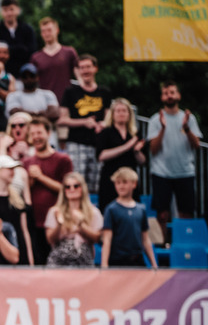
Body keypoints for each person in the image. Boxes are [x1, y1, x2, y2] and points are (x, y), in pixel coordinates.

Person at [146, 80, 202, 232]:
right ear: (162, 97)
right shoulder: (155, 120)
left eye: (172, 92)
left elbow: (196, 145)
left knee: (186, 212)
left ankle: (183, 245)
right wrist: (163, 129)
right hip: (161, 172)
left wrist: (187, 129)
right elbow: (153, 149)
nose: (169, 96)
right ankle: (161, 246)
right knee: (162, 214)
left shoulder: (189, 119)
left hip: (185, 171)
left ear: (178, 95)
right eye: (166, 93)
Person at [22, 116, 72, 265]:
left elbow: (68, 189)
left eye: (39, 133)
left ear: (48, 133)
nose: (36, 137)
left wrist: (41, 177)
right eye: (33, 134)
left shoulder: (63, 159)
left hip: (58, 224)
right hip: (34, 222)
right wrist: (30, 181)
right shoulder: (26, 162)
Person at [59, 54, 110, 196]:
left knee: (97, 185)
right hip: (76, 144)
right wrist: (84, 122)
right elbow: (62, 119)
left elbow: (109, 118)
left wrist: (103, 124)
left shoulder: (104, 92)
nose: (85, 71)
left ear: (95, 69)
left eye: (88, 67)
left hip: (98, 144)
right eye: (82, 68)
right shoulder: (70, 92)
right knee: (76, 183)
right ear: (78, 71)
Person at [96, 98, 145, 212]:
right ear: (112, 114)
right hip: (110, 179)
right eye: (118, 111)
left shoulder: (135, 133)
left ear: (129, 114)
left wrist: (137, 151)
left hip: (130, 178)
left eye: (124, 111)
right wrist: (127, 146)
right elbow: (101, 156)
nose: (121, 113)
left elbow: (143, 161)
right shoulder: (105, 132)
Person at [44, 171, 102, 267]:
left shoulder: (93, 212)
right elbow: (50, 239)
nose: (72, 189)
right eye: (67, 187)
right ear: (64, 190)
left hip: (84, 260)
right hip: (58, 261)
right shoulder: (55, 211)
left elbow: (97, 238)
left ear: (82, 188)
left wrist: (81, 225)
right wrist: (59, 224)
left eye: (76, 186)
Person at [102, 167, 156, 269]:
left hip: (137, 260)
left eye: (125, 182)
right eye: (118, 183)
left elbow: (145, 239)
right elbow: (107, 239)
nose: (121, 186)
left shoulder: (141, 209)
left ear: (134, 184)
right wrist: (104, 265)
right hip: (118, 260)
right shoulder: (111, 209)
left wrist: (154, 264)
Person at [0, 154, 33, 266]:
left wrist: (30, 259)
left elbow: (24, 231)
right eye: (9, 168)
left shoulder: (17, 199)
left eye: (13, 169)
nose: (13, 172)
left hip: (18, 249)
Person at [29, 17, 77, 104]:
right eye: (43, 31)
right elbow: (31, 83)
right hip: (44, 103)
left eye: (49, 30)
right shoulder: (35, 57)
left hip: (66, 102)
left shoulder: (69, 52)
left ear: (57, 30)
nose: (46, 33)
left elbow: (79, 74)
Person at [0, 0, 36, 78]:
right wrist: (21, 48)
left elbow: (32, 52)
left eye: (11, 9)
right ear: (1, 12)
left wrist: (6, 48)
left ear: (18, 10)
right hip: (2, 76)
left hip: (24, 77)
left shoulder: (28, 29)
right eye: (5, 10)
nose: (9, 13)